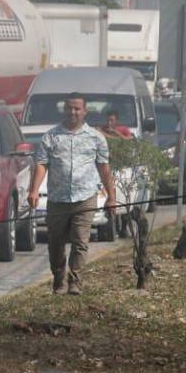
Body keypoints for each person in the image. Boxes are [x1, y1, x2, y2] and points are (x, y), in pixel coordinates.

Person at [27, 93, 115, 296]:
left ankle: (75, 281)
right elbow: (41, 164)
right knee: (55, 243)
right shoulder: (51, 137)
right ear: (64, 110)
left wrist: (111, 197)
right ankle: (59, 278)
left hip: (85, 198)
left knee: (80, 241)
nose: (73, 112)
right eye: (69, 108)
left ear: (85, 111)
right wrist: (33, 190)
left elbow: (104, 169)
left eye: (77, 108)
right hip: (58, 199)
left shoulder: (96, 138)